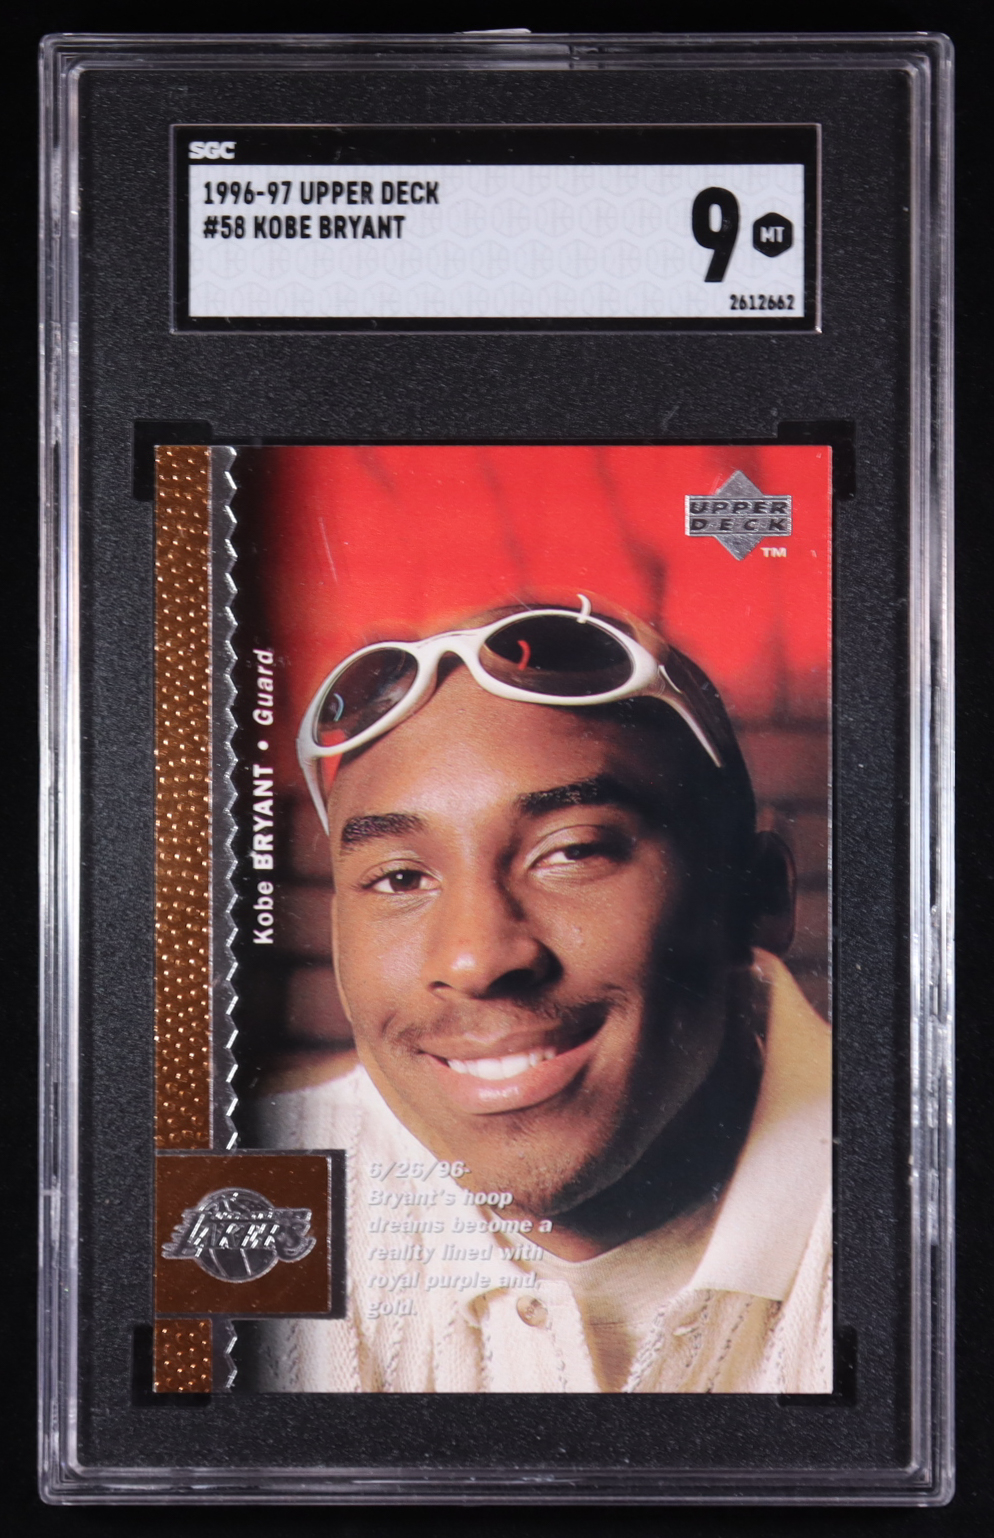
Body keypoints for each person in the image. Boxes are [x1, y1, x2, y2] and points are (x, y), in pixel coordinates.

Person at [250, 598, 831, 1393]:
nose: (476, 959)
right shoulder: (251, 1189)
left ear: (757, 896)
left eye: (573, 852)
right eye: (401, 878)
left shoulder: (926, 1194)